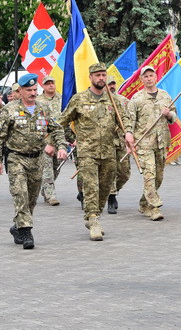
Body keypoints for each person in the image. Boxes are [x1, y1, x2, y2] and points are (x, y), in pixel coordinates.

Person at [0, 73, 67, 249]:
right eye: (29, 90)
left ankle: (18, 225)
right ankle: (26, 232)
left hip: (37, 159)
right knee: (21, 193)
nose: (33, 93)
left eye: (35, 90)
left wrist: (61, 146)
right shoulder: (9, 110)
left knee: (31, 198)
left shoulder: (43, 109)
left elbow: (56, 130)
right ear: (20, 91)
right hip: (16, 158)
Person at [59, 63, 125, 239]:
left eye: (103, 75)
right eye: (98, 75)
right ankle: (94, 221)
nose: (101, 78)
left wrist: (130, 133)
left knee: (105, 188)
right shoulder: (79, 99)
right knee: (91, 187)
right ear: (90, 78)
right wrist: (68, 140)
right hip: (87, 152)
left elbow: (124, 121)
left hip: (109, 152)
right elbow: (61, 121)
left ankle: (95, 215)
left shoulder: (114, 100)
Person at [124, 65, 177, 220]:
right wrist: (129, 136)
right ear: (141, 79)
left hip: (161, 141)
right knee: (149, 174)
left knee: (158, 177)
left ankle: (143, 202)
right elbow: (129, 120)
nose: (148, 79)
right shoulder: (137, 98)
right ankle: (154, 208)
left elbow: (174, 116)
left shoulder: (165, 96)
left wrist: (169, 114)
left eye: (151, 76)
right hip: (144, 143)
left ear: (156, 77)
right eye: (145, 76)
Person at [106, 76, 131, 214]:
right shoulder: (100, 102)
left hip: (121, 142)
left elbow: (130, 120)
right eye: (108, 84)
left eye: (113, 84)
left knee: (124, 172)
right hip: (106, 143)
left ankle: (111, 191)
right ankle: (111, 197)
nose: (111, 86)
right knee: (110, 171)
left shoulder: (123, 101)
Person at [38, 75, 62, 206]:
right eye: (47, 83)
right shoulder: (38, 101)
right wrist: (47, 142)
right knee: (47, 168)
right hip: (45, 140)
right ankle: (51, 195)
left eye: (52, 83)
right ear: (43, 86)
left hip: (60, 139)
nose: (51, 85)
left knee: (56, 167)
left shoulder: (62, 98)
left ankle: (45, 188)